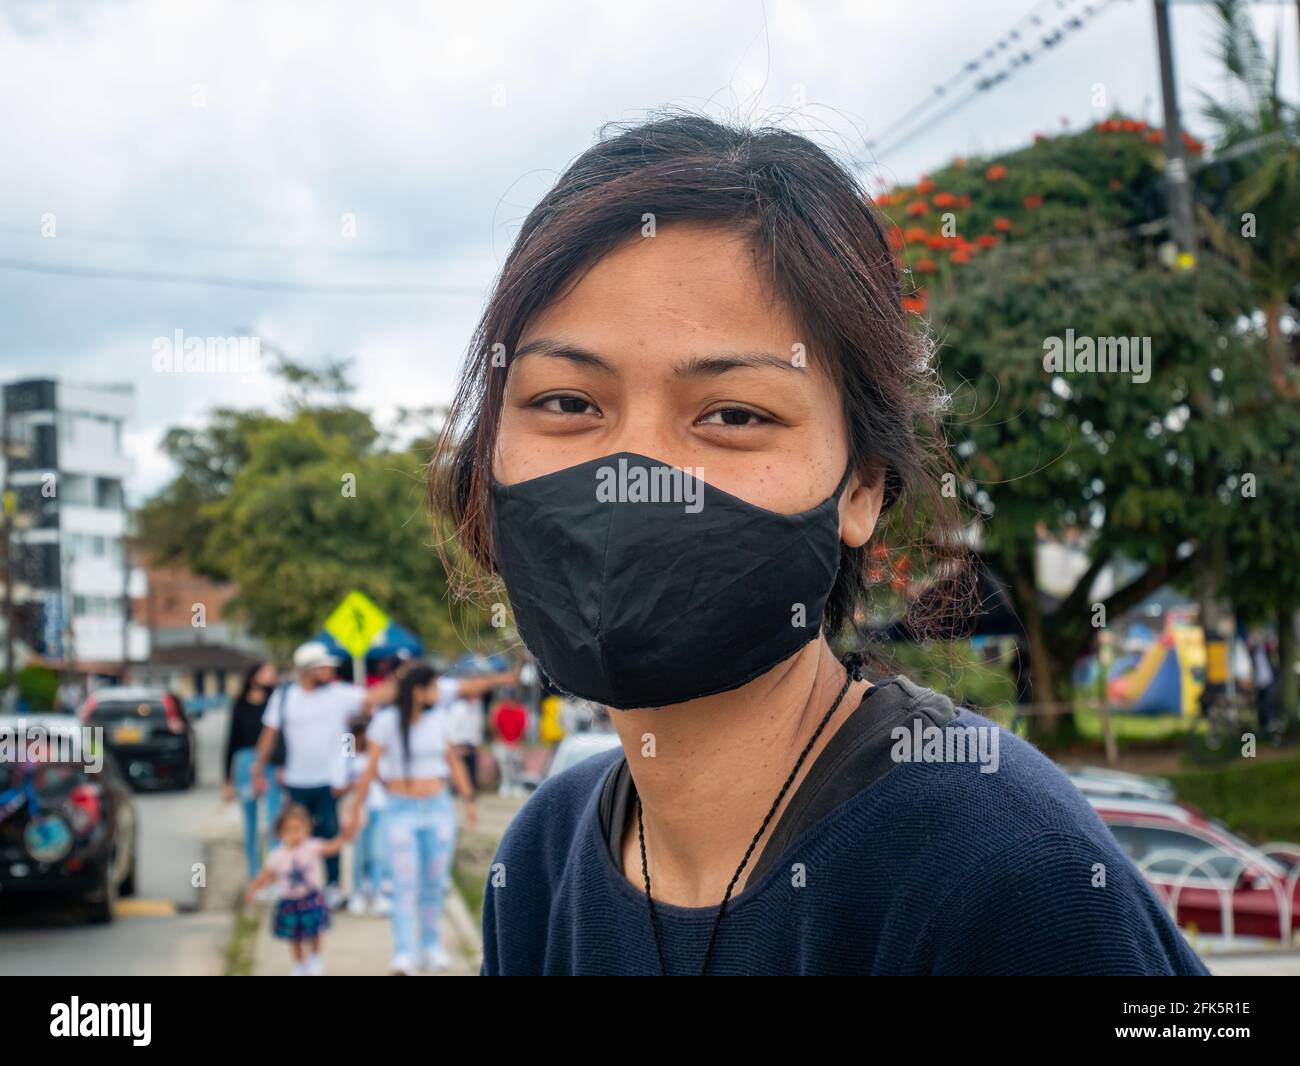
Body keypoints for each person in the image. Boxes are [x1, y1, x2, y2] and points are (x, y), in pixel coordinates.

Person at [430, 114, 1211, 976]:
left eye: (733, 414)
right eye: (569, 402)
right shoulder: (542, 858)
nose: (633, 475)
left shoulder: (1007, 877)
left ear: (862, 488)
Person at [345, 662, 512, 974]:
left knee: (434, 882)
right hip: (400, 810)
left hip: (437, 808)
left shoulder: (439, 721)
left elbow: (453, 763)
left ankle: (431, 946)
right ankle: (404, 951)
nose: (438, 693)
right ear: (418, 691)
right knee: (404, 883)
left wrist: (470, 799)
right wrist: (355, 808)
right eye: (433, 687)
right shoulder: (385, 721)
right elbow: (370, 767)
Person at [252, 640, 391, 908]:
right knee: (294, 834)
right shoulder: (284, 697)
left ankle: (333, 886)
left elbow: (373, 697)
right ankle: (293, 884)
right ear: (309, 670)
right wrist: (258, 768)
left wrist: (404, 684)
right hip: (295, 780)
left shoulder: (339, 694)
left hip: (328, 782)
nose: (330, 672)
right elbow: (269, 734)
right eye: (324, 668)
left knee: (329, 833)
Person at [245, 802, 347, 976]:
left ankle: (315, 958)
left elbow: (333, 847)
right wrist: (253, 889)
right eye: (290, 829)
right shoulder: (276, 856)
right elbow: (266, 876)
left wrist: (346, 832)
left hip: (311, 898)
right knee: (294, 938)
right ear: (281, 832)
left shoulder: (312, 846)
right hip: (289, 902)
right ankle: (299, 965)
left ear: (307, 828)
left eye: (299, 828)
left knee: (315, 932)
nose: (295, 834)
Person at [223, 660, 283, 884]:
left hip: (270, 762)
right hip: (244, 762)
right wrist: (227, 780)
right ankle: (254, 872)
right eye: (266, 672)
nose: (271, 676)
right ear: (253, 676)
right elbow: (231, 741)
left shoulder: (277, 701)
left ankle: (274, 868)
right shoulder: (240, 704)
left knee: (274, 817)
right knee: (250, 820)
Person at [341, 714, 392, 916]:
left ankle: (377, 892)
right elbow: (340, 776)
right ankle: (357, 893)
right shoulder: (348, 747)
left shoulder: (380, 751)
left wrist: (374, 771)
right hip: (357, 807)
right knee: (359, 852)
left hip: (379, 806)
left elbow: (387, 779)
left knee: (378, 852)